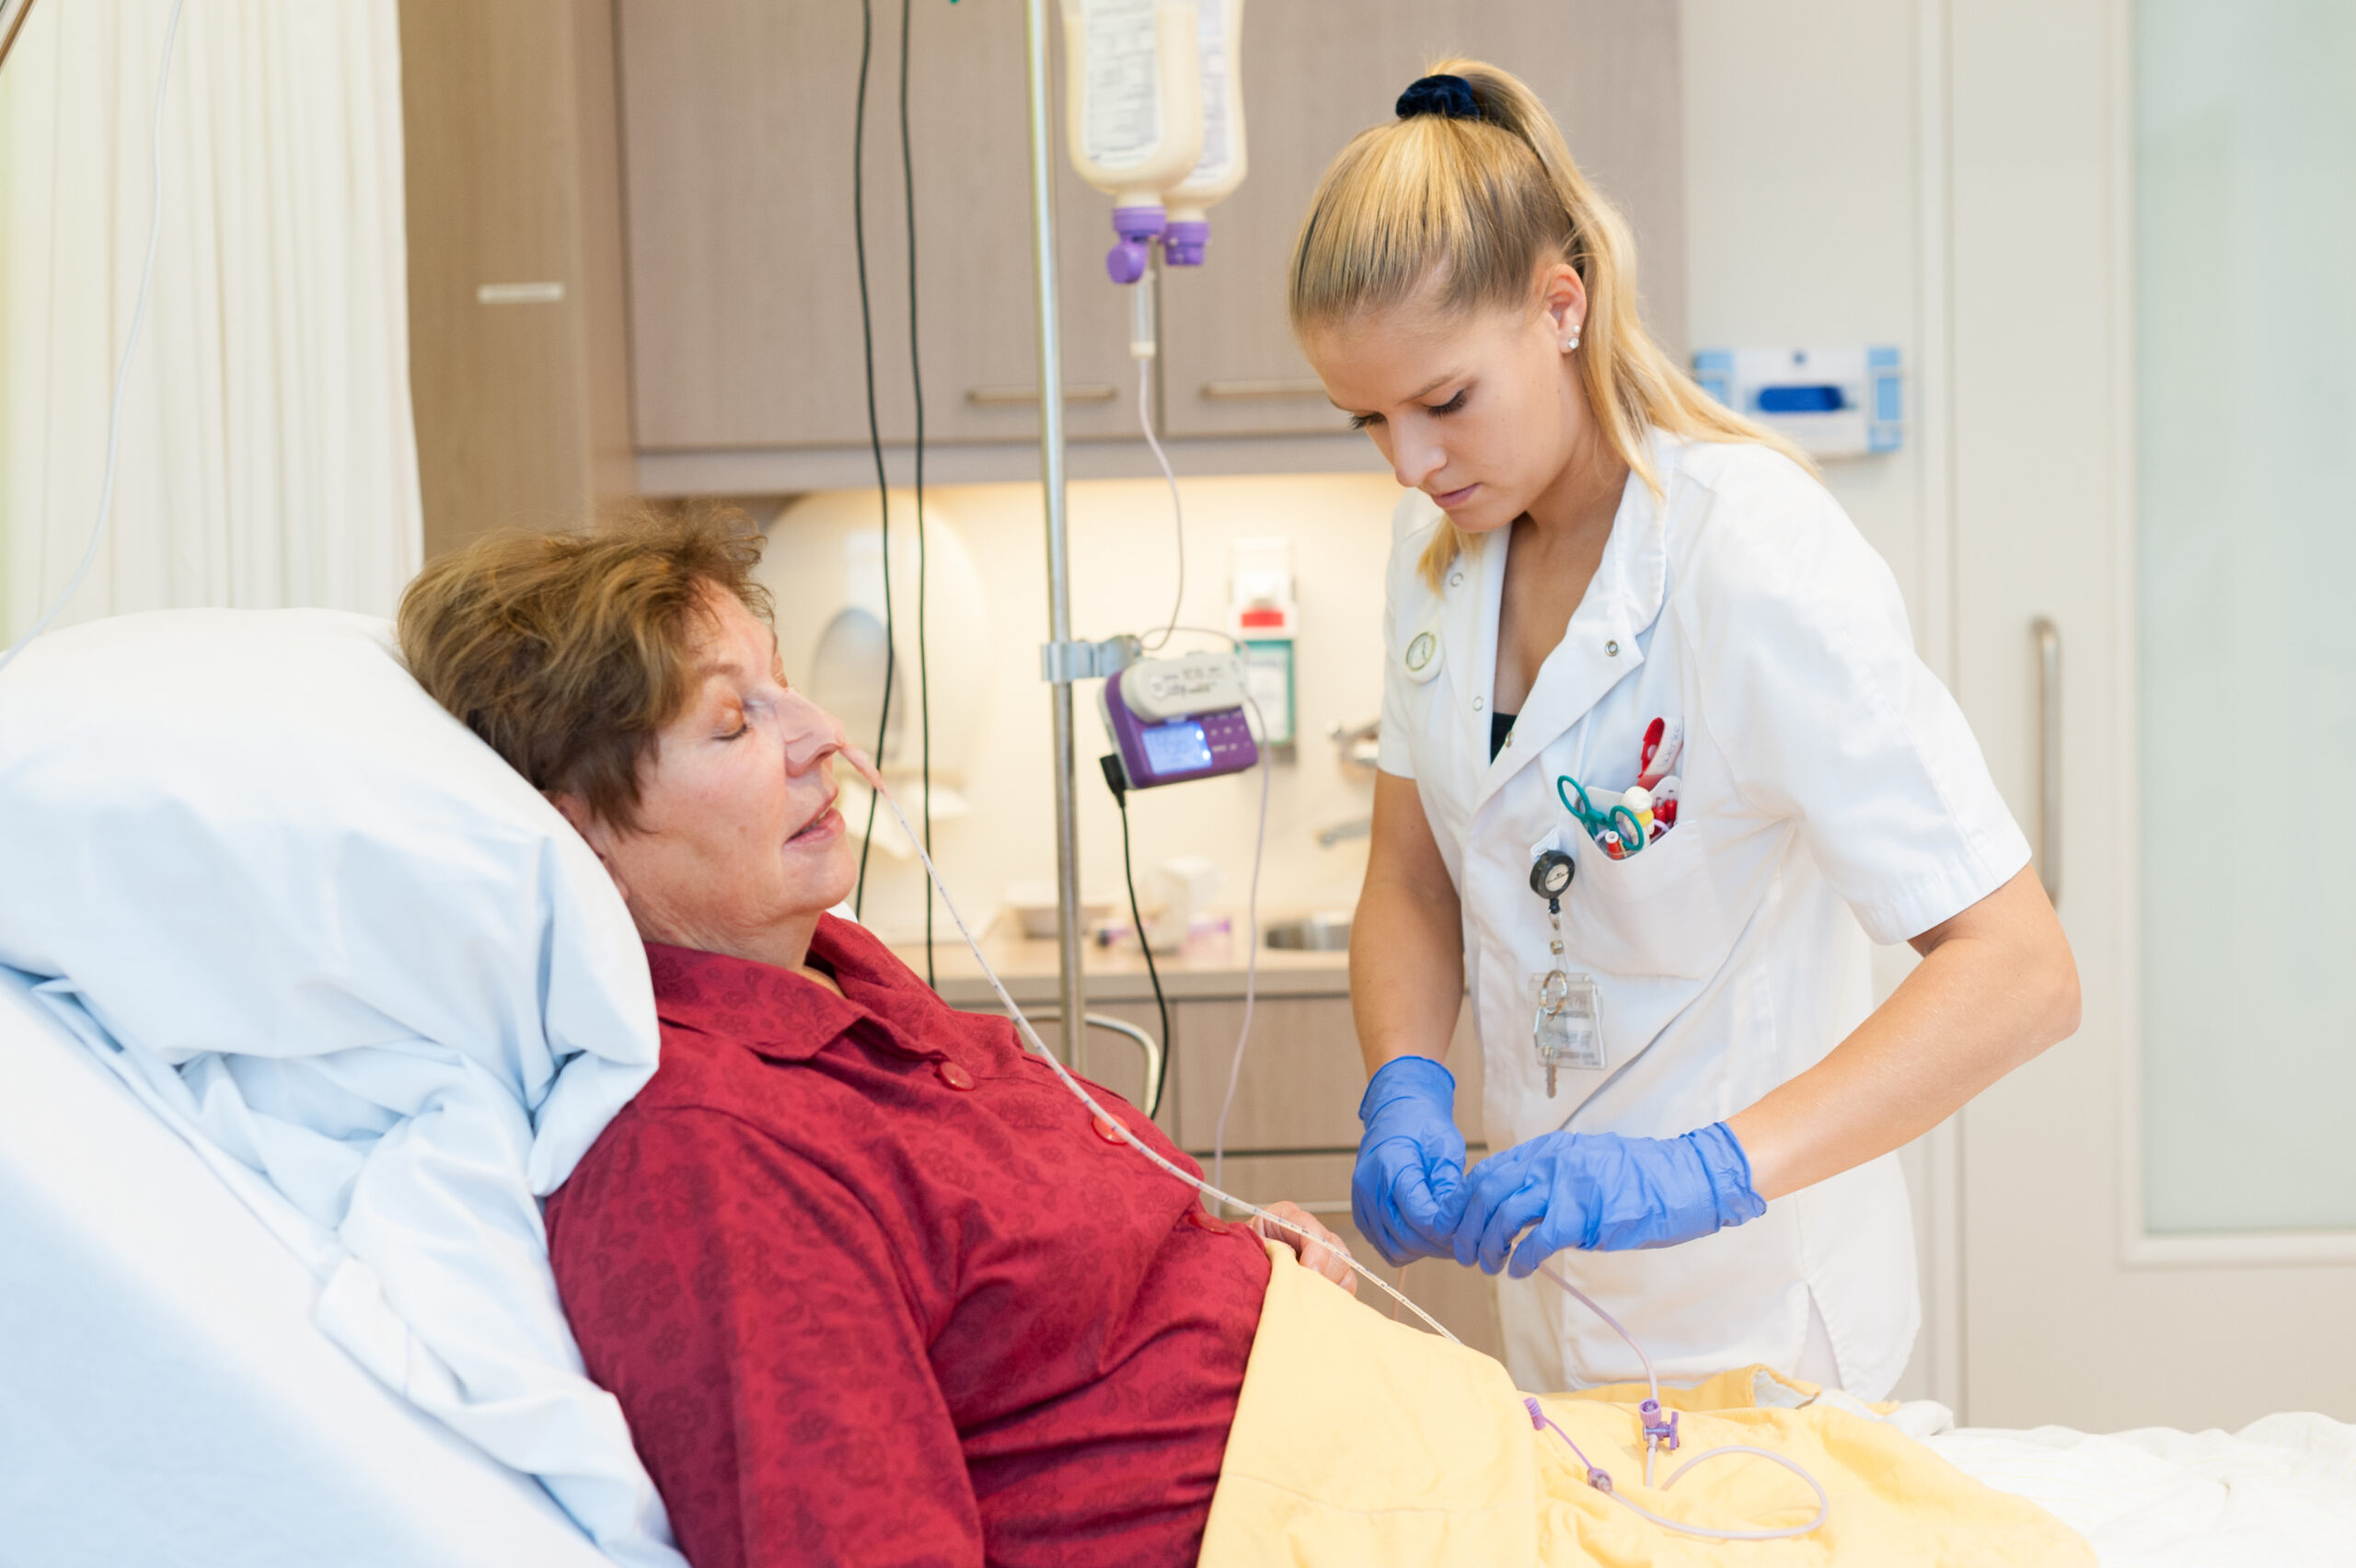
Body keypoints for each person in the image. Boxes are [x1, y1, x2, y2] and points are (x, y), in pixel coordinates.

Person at [1294, 63, 2081, 1399]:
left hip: (1765, 1323)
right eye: (1368, 419)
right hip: (1550, 1305)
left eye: (1443, 402)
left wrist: (1701, 1173)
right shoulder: (1435, 559)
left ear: (1562, 307)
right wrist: (1407, 1084)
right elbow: (1411, 877)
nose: (1409, 465)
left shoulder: (1749, 553)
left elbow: (2019, 970)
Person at [397, 514, 1356, 1568]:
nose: (823, 734)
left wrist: (1244, 1272)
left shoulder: (846, 981)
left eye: (786, 685)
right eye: (732, 726)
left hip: (1372, 1459)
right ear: (578, 838)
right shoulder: (709, 1153)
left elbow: (1031, 1312)